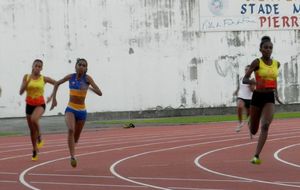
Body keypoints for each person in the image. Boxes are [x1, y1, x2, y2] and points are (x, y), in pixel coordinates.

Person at [50, 58, 102, 168]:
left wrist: (89, 88)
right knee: (70, 129)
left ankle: (73, 151)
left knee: (76, 138)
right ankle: (72, 156)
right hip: (71, 108)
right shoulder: (71, 77)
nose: (81, 67)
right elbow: (56, 84)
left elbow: (100, 93)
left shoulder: (87, 79)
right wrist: (54, 99)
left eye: (84, 65)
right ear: (76, 66)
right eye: (80, 64)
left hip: (82, 112)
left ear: (86, 68)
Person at [243, 36, 283, 165]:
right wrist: (253, 81)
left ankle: (256, 155)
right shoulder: (257, 62)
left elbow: (274, 79)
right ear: (261, 49)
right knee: (254, 130)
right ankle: (251, 122)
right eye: (265, 47)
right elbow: (245, 79)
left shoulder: (277, 63)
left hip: (269, 97)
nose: (268, 50)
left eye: (270, 48)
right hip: (257, 97)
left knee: (265, 126)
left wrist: (276, 95)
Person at [19, 59, 56, 161]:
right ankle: (34, 149)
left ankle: (39, 136)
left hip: (40, 104)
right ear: (32, 66)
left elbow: (57, 83)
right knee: (31, 131)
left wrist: (52, 97)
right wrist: (26, 84)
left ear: (42, 68)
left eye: (40, 67)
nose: (38, 68)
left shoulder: (43, 78)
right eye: (36, 66)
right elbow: (21, 92)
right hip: (29, 105)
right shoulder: (26, 77)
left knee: (34, 119)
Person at [233, 65, 255, 133]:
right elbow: (240, 86)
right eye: (245, 69)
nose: (246, 71)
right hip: (241, 97)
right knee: (239, 106)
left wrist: (250, 86)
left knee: (249, 115)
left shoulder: (252, 79)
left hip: (250, 99)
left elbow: (253, 90)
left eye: (248, 70)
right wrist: (236, 91)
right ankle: (240, 122)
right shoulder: (241, 78)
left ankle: (250, 124)